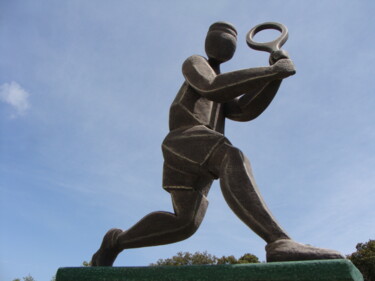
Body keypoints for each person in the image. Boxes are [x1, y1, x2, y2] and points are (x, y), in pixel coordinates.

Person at [91, 22, 344, 266]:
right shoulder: (195, 63)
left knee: (184, 223)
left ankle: (115, 242)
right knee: (231, 157)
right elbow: (211, 87)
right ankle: (278, 241)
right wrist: (268, 72)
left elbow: (243, 110)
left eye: (232, 37)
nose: (226, 38)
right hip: (184, 139)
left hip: (200, 149)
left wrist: (274, 78)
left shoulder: (226, 83)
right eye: (220, 33)